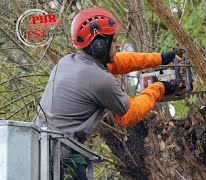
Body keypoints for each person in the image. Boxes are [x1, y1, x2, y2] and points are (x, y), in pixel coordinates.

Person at [34, 7, 179, 180]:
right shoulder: (99, 80)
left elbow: (117, 62)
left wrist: (159, 59)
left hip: (37, 153)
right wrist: (159, 88)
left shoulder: (67, 63)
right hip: (61, 163)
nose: (117, 44)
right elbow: (127, 115)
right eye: (114, 40)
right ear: (99, 45)